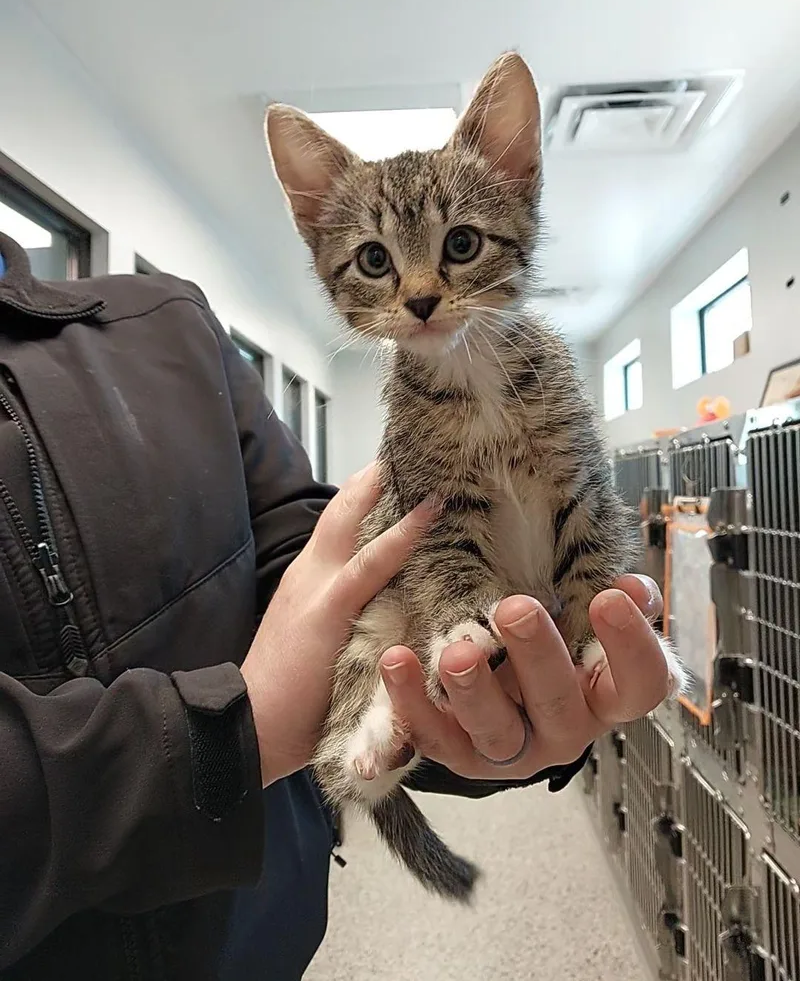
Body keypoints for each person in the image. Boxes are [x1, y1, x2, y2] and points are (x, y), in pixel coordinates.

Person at [0, 231, 671, 980]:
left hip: (269, 939)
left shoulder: (168, 320)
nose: (419, 287)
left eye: (454, 245)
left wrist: (503, 723)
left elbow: (310, 555)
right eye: (379, 260)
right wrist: (228, 740)